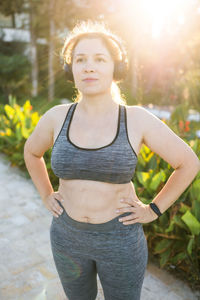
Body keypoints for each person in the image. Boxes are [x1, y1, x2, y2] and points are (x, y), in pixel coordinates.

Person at [24, 20, 200, 300]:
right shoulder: (56, 117)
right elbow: (31, 152)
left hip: (120, 242)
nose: (89, 66)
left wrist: (153, 209)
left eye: (99, 59)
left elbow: (188, 162)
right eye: (80, 59)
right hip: (67, 238)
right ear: (71, 70)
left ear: (115, 68)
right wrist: (46, 194)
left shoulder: (136, 119)